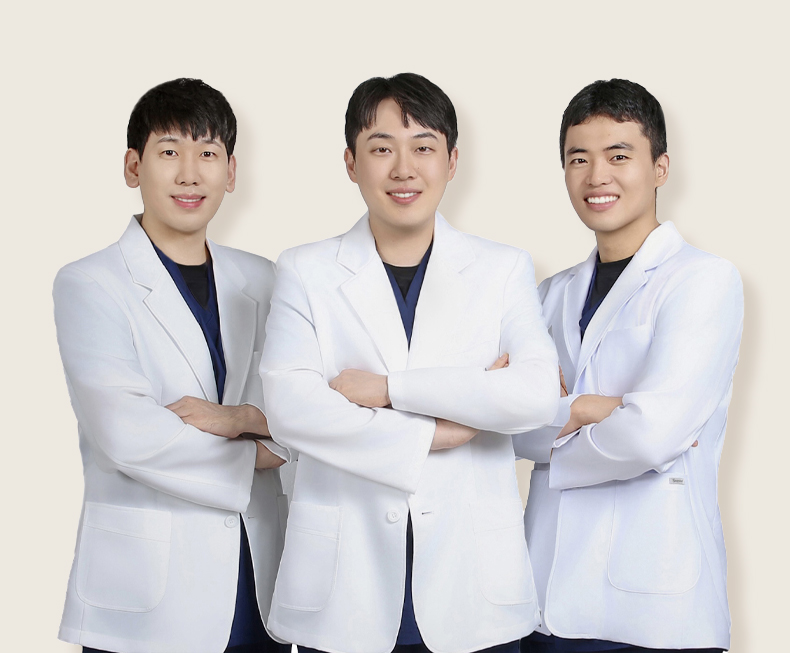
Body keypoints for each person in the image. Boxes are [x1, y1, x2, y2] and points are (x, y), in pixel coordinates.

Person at [259, 72, 559, 653]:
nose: (403, 169)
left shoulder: (502, 269)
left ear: (452, 161)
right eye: (381, 149)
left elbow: (535, 395)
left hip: (475, 589)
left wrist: (386, 389)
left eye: (423, 147)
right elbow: (291, 408)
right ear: (351, 163)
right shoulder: (304, 270)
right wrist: (446, 429)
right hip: (343, 591)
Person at [54, 78, 291, 653]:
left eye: (208, 153)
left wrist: (242, 418)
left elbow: (310, 408)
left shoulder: (267, 279)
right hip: (146, 595)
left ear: (231, 172)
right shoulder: (90, 283)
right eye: (169, 152)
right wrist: (266, 450)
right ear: (133, 167)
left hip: (260, 583)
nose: (189, 174)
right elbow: (129, 435)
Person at [514, 79, 742, 653]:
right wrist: (600, 409)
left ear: (660, 167)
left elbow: (649, 435)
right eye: (579, 159)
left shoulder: (702, 281)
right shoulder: (548, 294)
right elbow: (511, 429)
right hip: (543, 600)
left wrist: (561, 411)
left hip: (654, 608)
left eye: (619, 156)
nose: (597, 176)